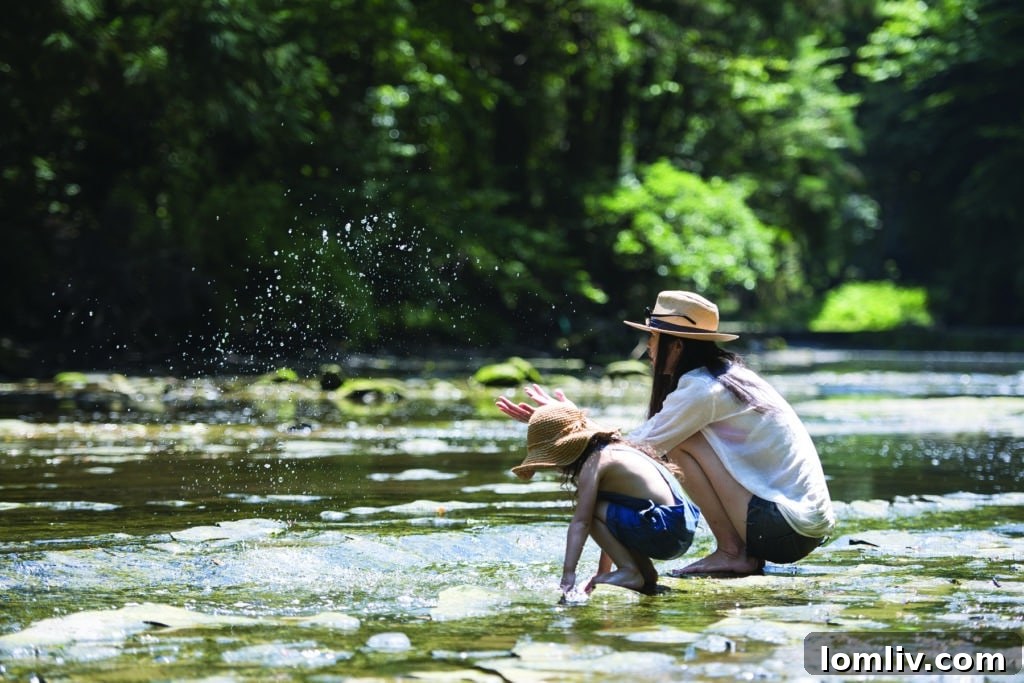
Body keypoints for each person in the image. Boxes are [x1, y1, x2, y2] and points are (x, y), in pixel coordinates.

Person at [497, 290, 835, 576]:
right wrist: (569, 422)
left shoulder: (703, 390)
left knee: (681, 442)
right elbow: (633, 442)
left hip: (784, 527)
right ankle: (734, 551)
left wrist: (568, 426)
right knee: (672, 443)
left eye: (653, 338)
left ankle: (733, 553)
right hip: (799, 525)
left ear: (676, 346)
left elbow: (631, 449)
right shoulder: (728, 376)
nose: (648, 349)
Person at [511, 402, 700, 596]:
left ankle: (629, 571)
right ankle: (644, 573)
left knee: (591, 510)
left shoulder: (595, 463)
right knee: (608, 511)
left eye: (552, 459)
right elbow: (613, 525)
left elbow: (582, 522)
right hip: (679, 528)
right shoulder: (615, 449)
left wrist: (568, 575)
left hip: (664, 529)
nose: (555, 467)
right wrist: (603, 573)